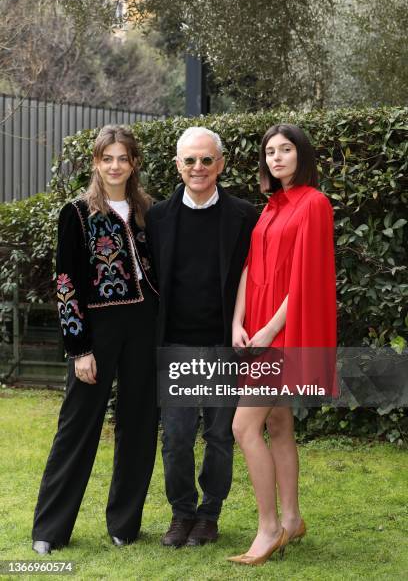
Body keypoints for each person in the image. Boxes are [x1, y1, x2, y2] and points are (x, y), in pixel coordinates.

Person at [32, 125, 159, 554]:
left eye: (123, 158)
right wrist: (79, 348)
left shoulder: (147, 210)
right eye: (108, 158)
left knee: (139, 425)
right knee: (77, 427)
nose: (115, 166)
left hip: (144, 326)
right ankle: (50, 531)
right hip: (97, 330)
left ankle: (125, 524)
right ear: (96, 163)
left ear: (134, 164)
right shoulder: (78, 212)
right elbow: (65, 283)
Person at [228, 124, 337, 565]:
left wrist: (270, 330)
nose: (276, 158)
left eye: (286, 150)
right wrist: (238, 320)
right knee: (278, 425)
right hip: (257, 329)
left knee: (243, 427)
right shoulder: (270, 207)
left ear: (301, 155)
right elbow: (251, 269)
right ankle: (291, 519)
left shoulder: (314, 204)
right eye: (270, 151)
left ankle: (269, 528)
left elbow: (307, 278)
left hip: (283, 334)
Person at [145, 127, 258, 547]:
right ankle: (181, 514)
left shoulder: (245, 216)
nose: (198, 168)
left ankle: (209, 515)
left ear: (221, 164)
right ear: (177, 165)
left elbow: (256, 278)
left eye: (206, 160)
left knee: (218, 437)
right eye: (190, 160)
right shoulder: (156, 217)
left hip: (222, 345)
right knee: (175, 438)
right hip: (175, 345)